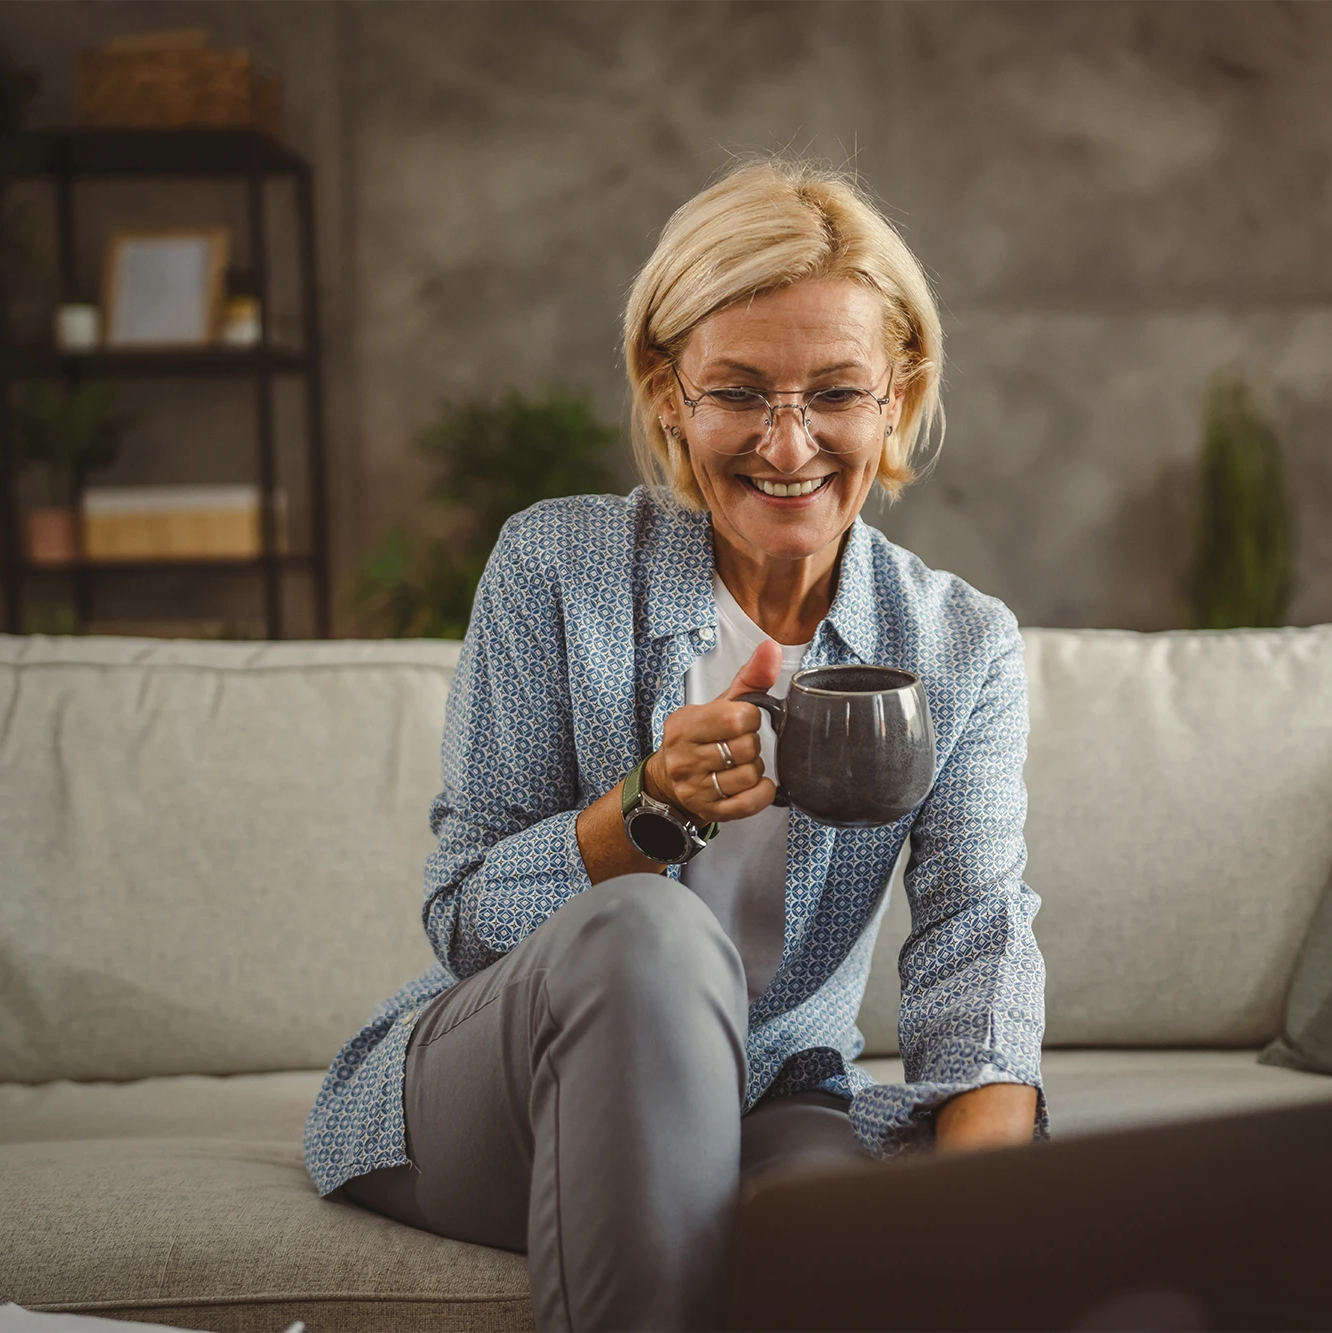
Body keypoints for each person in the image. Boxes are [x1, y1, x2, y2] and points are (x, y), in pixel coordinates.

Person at [302, 157, 1047, 1332]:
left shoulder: (959, 646)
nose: (788, 446)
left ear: (897, 397)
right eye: (739, 392)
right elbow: (464, 917)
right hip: (508, 1080)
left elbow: (976, 942)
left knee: (844, 1249)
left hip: (774, 1092)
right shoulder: (554, 568)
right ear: (667, 394)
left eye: (836, 395)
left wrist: (994, 1210)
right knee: (650, 927)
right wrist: (648, 811)